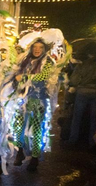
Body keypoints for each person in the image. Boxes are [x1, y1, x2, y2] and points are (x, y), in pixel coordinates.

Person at [4, 37, 57, 171]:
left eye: (40, 47)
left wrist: (25, 77)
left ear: (44, 49)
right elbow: (15, 74)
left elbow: (43, 76)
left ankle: (34, 158)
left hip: (38, 99)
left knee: (38, 130)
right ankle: (19, 152)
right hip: (22, 99)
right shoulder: (24, 60)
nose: (37, 50)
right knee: (18, 128)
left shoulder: (48, 61)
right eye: (35, 47)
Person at [65, 51, 96, 151]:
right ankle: (92, 143)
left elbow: (74, 80)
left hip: (82, 92)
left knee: (77, 117)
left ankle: (72, 140)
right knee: (93, 119)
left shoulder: (82, 65)